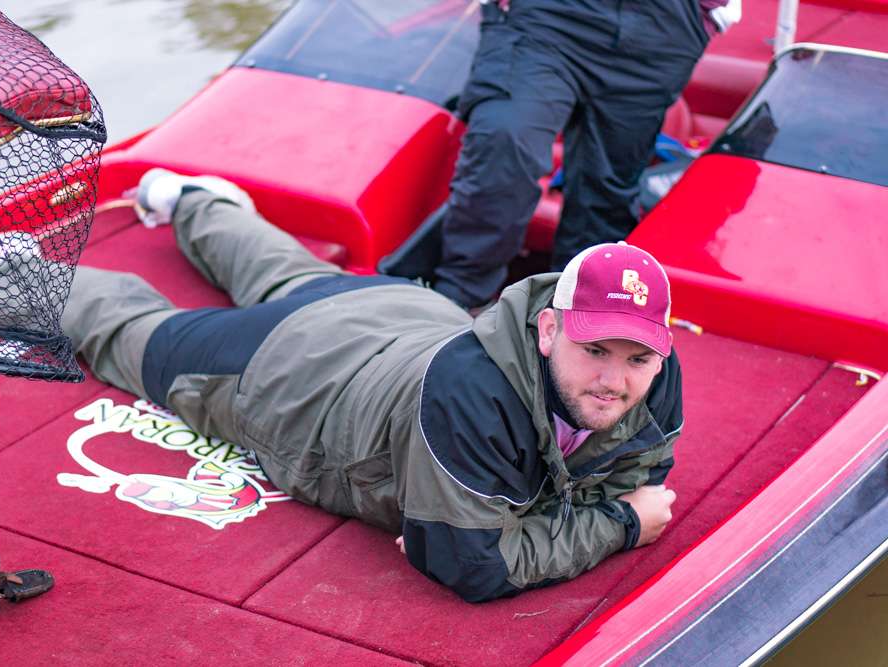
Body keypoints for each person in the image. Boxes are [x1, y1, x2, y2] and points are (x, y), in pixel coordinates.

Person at [61, 170, 683, 602]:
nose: (613, 379)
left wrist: (531, 523)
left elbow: (625, 482)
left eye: (637, 358)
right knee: (134, 332)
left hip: (398, 310)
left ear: (661, 351)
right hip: (296, 374)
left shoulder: (655, 378)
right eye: (594, 349)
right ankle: (1, 264)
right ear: (547, 329)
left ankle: (192, 198)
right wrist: (621, 525)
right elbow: (474, 565)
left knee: (290, 273)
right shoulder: (472, 396)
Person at [423, 0, 741, 310]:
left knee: (607, 189)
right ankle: (461, 300)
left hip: (662, 30)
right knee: (504, 139)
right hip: (549, 17)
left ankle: (574, 312)